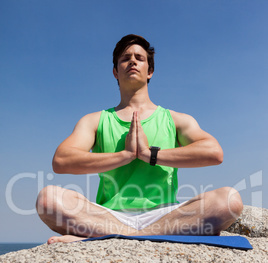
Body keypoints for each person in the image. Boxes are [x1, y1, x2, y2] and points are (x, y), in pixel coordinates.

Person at [36, 34, 243, 244]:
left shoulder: (175, 119)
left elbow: (214, 153)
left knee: (229, 200)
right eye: (125, 58)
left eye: (139, 58)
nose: (132, 61)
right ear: (115, 72)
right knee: (48, 199)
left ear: (150, 71)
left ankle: (112, 237)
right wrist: (125, 155)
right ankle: (146, 234)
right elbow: (61, 160)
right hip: (108, 216)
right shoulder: (95, 121)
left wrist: (149, 154)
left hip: (165, 215)